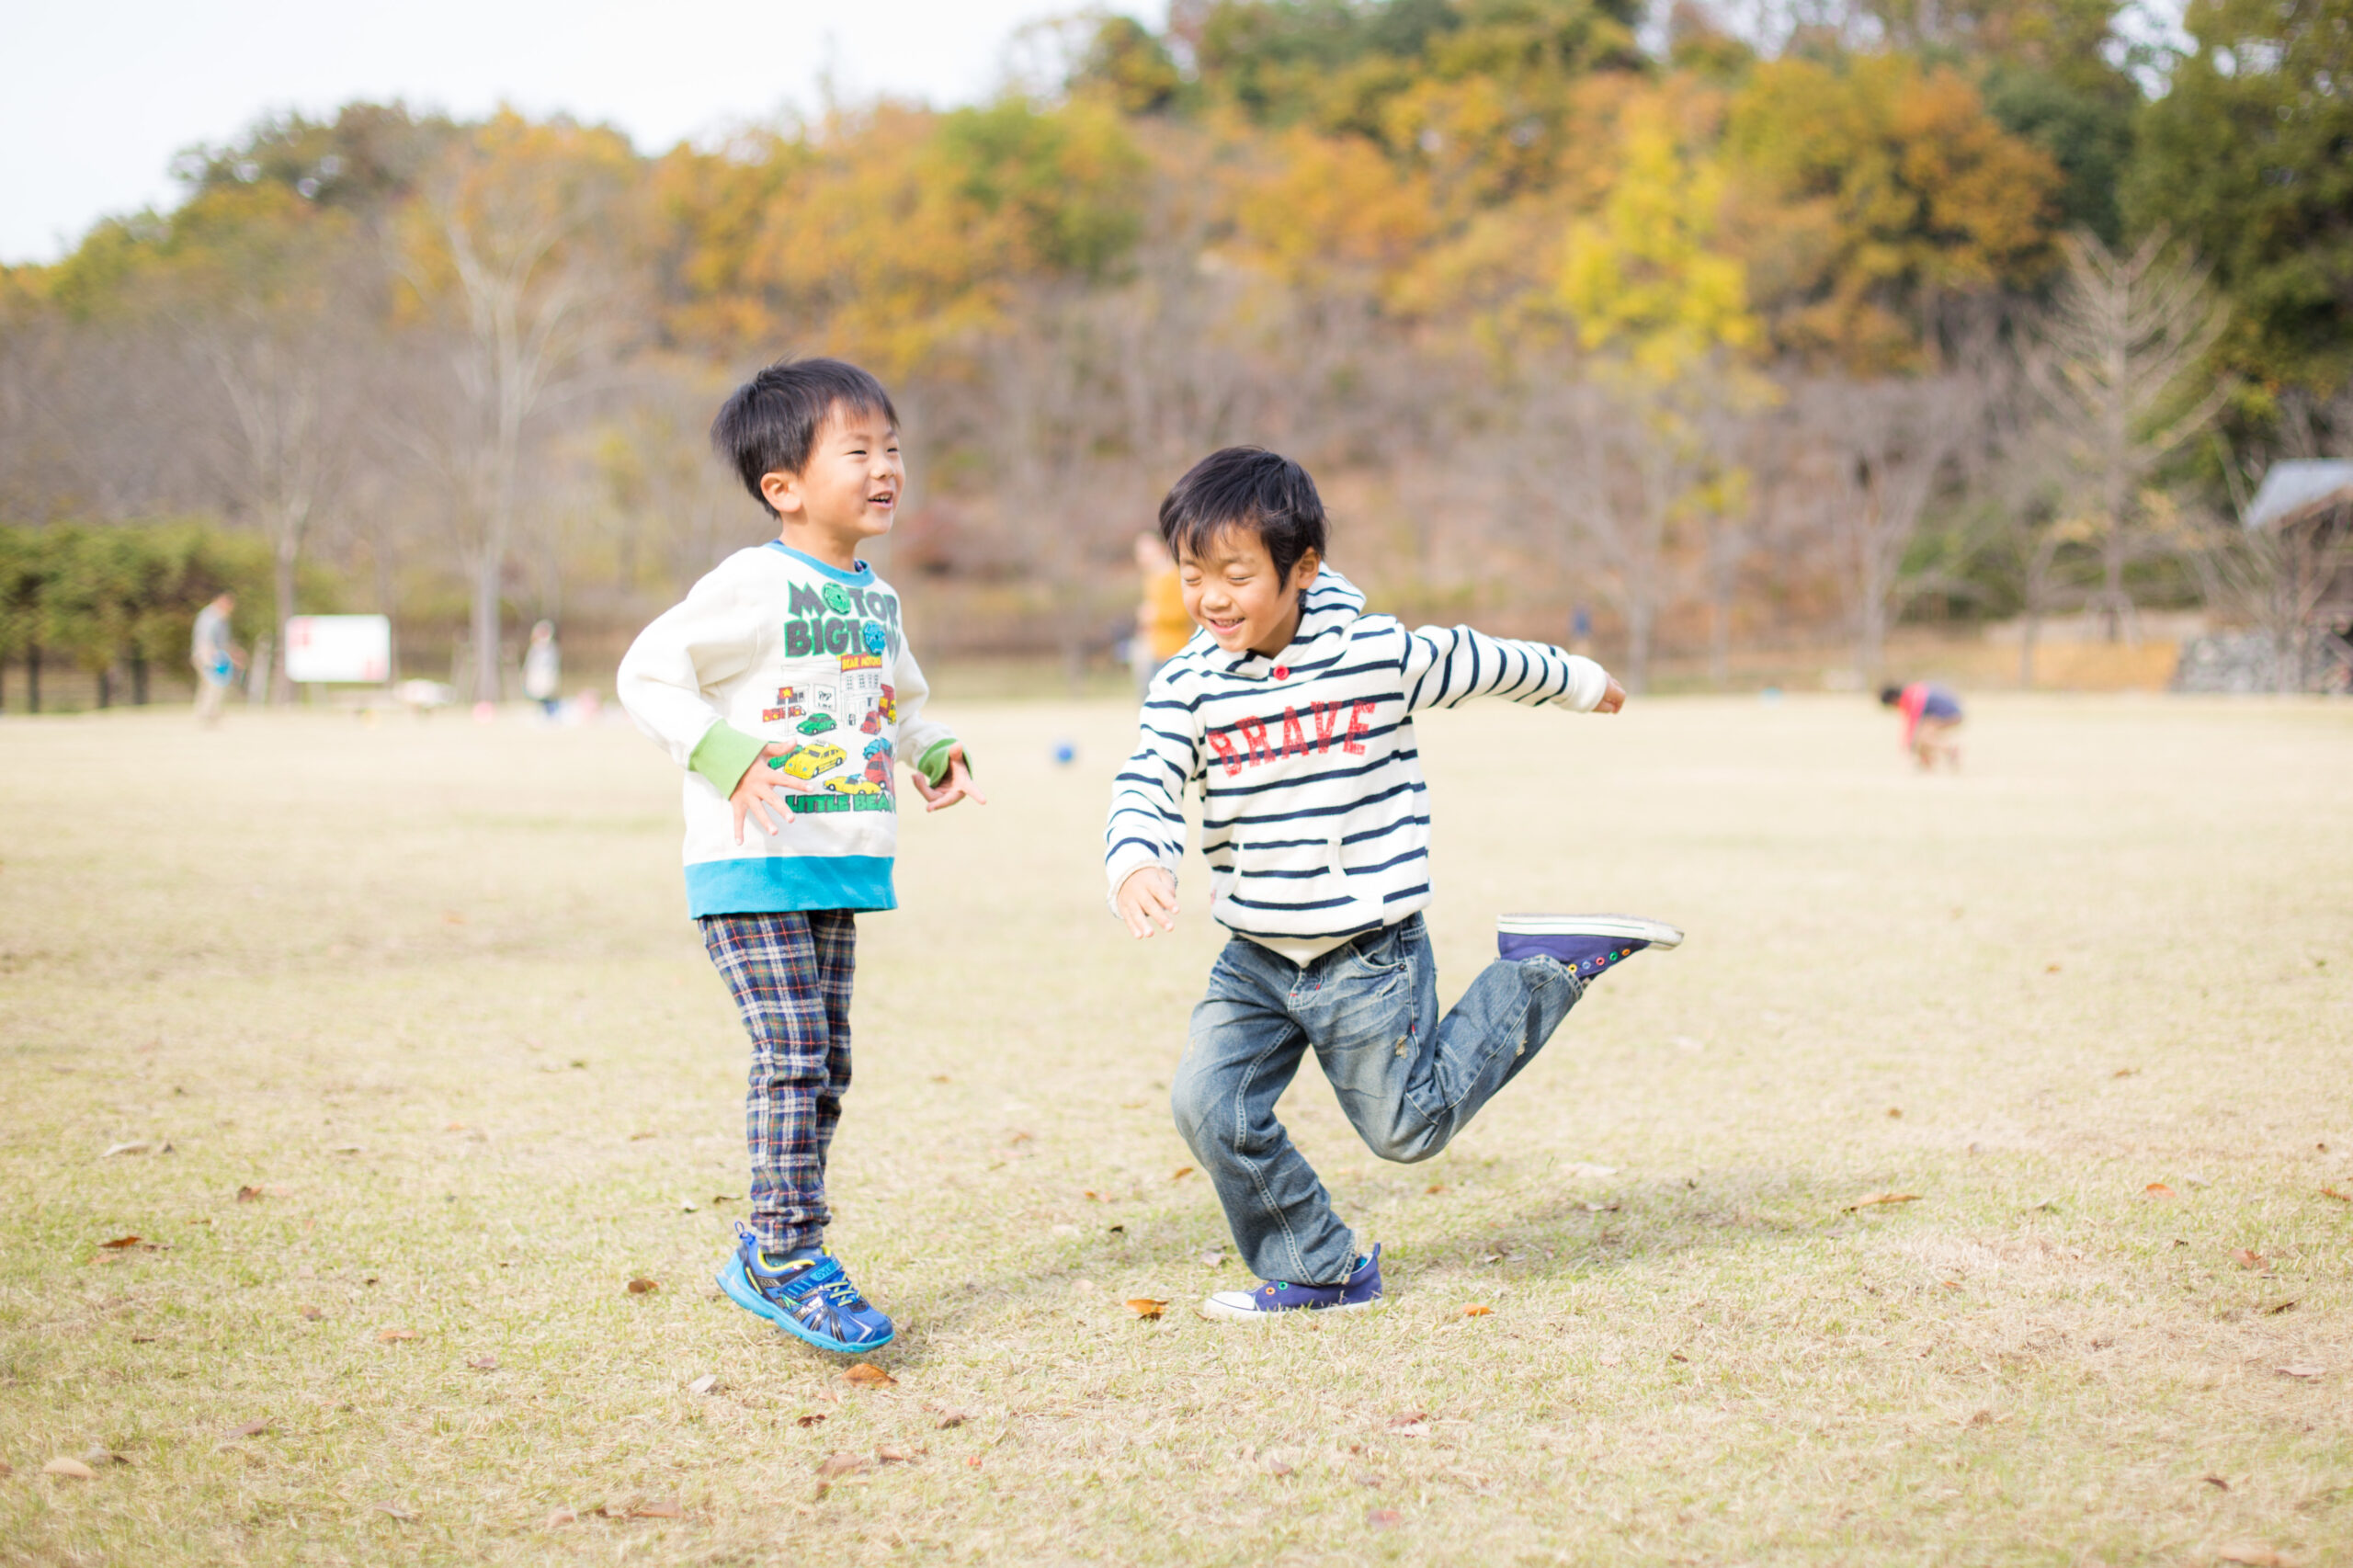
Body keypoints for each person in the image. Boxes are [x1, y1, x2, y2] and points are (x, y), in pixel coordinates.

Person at [1104, 447, 1682, 1319]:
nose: (1211, 598)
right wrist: (1138, 857)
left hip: (1366, 953)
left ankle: (1545, 969)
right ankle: (1321, 1266)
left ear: (1302, 569)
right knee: (1207, 1105)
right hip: (1256, 953)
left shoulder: (1376, 655)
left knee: (1406, 1131)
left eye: (1235, 574)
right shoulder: (1187, 684)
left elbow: (1486, 661)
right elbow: (1147, 777)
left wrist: (1583, 682)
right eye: (1193, 576)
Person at [618, 358, 984, 1355]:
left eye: (893, 449)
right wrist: (724, 753)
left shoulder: (875, 598)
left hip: (835, 863)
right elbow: (648, 671)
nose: (886, 468)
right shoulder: (752, 583)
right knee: (791, 1054)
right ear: (783, 485)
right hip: (750, 866)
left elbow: (898, 699)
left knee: (827, 1065)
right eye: (858, 451)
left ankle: (771, 1244)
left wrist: (933, 750)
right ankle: (782, 1252)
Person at [1132, 532, 1192, 695]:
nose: (1142, 558)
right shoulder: (1152, 577)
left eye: (1146, 552)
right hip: (1153, 646)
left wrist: (1155, 615)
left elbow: (1184, 613)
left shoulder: (1174, 576)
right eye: (1139, 553)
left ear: (1160, 549)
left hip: (1171, 648)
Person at [1880, 680, 1963, 770]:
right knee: (1920, 738)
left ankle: (1949, 750)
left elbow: (1913, 722)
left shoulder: (1910, 697)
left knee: (1922, 738)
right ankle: (1927, 763)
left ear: (1893, 699)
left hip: (1949, 715)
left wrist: (1907, 742)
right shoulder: (1913, 692)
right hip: (1949, 713)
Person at [189, 591, 243, 727]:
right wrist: (210, 657)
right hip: (208, 655)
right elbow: (205, 638)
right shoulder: (210, 616)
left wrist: (233, 654)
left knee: (209, 686)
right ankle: (208, 714)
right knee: (214, 685)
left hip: (216, 655)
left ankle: (207, 714)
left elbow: (224, 641)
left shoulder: (221, 617)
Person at [522, 619, 562, 718]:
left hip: (545, 676)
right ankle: (544, 712)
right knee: (536, 694)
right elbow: (529, 663)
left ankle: (551, 712)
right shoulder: (535, 648)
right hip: (536, 676)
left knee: (546, 694)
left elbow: (553, 664)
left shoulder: (551, 648)